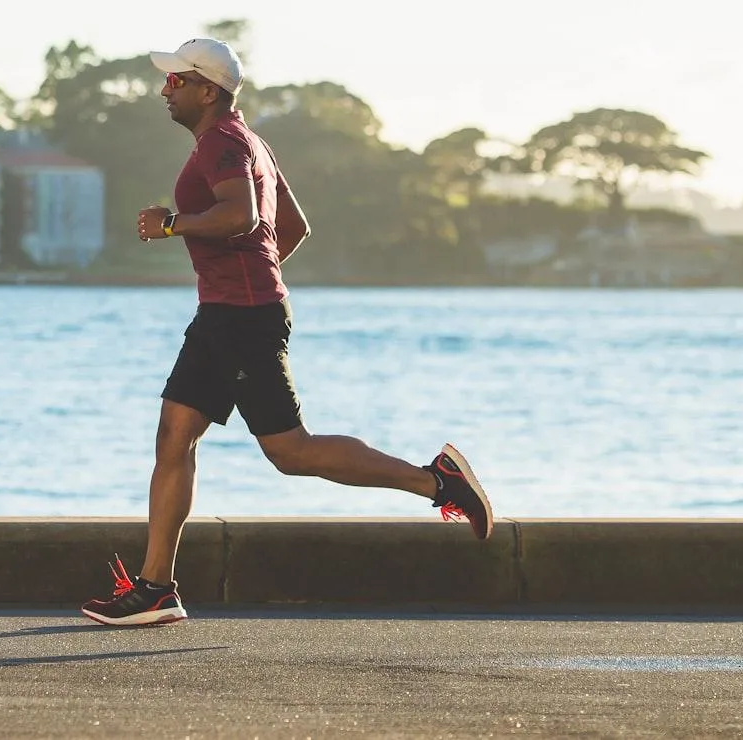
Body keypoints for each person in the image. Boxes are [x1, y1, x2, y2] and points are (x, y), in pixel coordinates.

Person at [81, 38, 493, 627]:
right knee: (176, 434)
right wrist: (253, 277)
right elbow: (291, 227)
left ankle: (437, 482)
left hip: (238, 318)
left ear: (208, 89)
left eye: (176, 81)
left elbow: (244, 217)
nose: (165, 90)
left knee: (289, 450)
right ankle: (156, 588)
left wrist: (174, 225)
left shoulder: (223, 143)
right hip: (235, 312)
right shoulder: (250, 142)